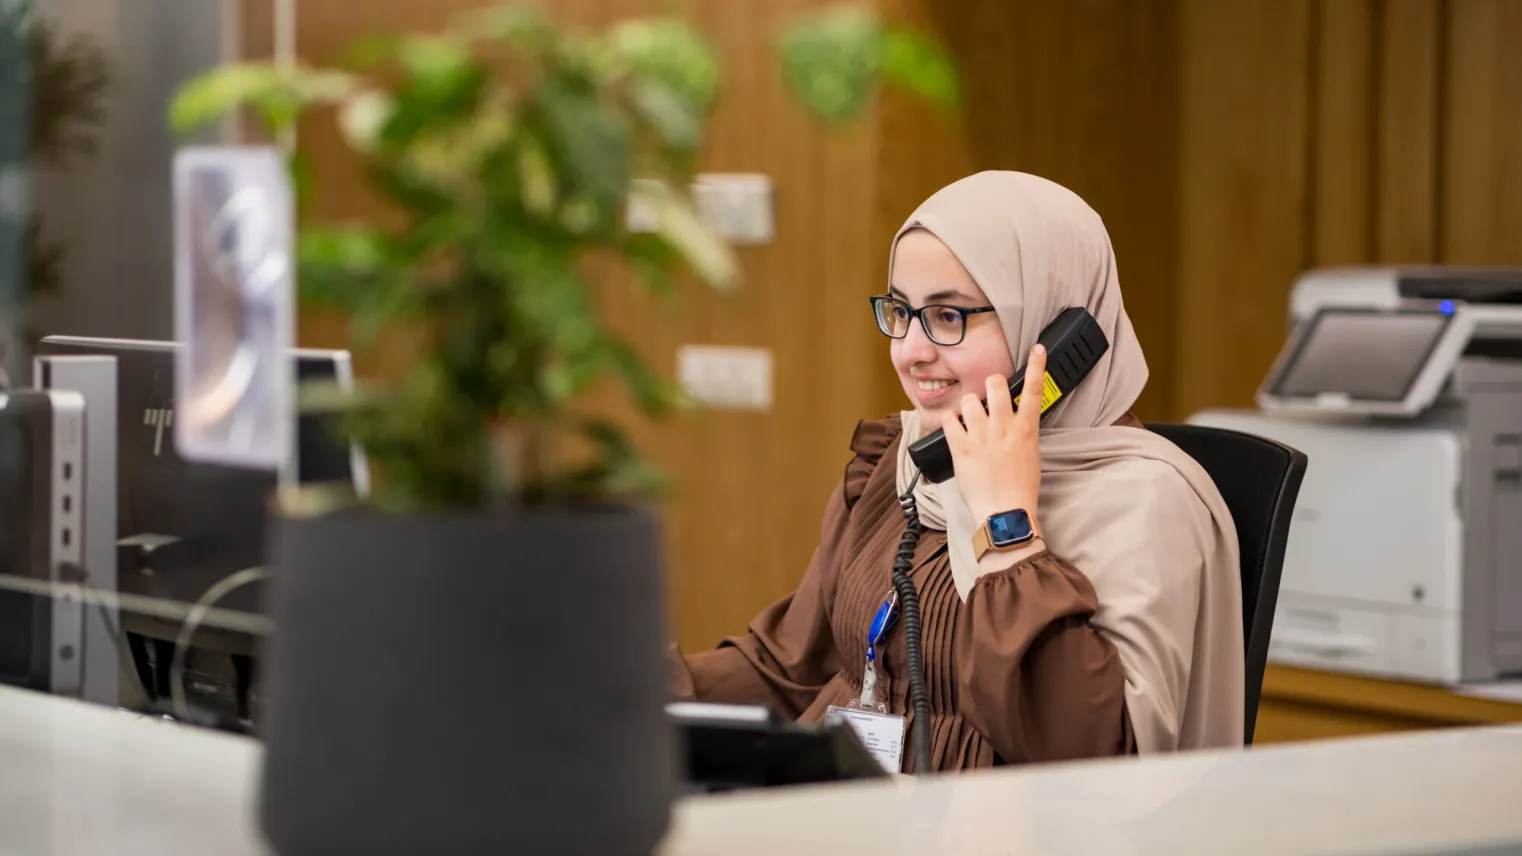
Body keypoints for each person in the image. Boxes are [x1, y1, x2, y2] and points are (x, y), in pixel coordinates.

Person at [669, 171, 1243, 772]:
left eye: (948, 316)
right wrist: (619, 688)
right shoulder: (908, 459)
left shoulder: (1142, 502)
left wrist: (1005, 523)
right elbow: (790, 669)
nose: (911, 351)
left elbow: (1092, 759)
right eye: (901, 311)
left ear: (1058, 332)